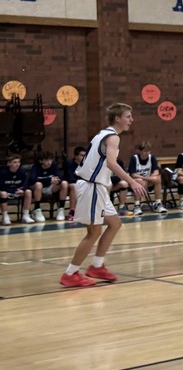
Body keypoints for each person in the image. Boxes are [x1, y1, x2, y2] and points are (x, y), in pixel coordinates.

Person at [59, 103, 148, 287]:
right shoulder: (113, 137)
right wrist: (131, 181)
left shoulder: (103, 133)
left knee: (115, 223)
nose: (131, 120)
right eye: (128, 116)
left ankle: (97, 266)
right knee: (94, 232)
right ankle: (70, 273)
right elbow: (111, 163)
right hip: (92, 187)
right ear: (118, 118)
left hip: (96, 187)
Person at [127, 141, 168, 214]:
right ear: (140, 151)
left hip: (147, 181)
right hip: (135, 183)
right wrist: (144, 179)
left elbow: (156, 172)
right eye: (145, 151)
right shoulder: (134, 158)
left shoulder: (152, 157)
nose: (147, 153)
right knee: (139, 180)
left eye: (148, 151)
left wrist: (146, 179)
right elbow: (133, 174)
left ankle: (158, 203)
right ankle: (137, 205)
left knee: (158, 179)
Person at [30, 151, 69, 221]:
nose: (49, 162)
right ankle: (37, 209)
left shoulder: (53, 165)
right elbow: (32, 180)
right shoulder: (35, 167)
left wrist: (57, 180)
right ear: (41, 161)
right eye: (46, 160)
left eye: (50, 160)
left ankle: (61, 209)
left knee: (64, 183)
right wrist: (49, 180)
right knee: (38, 184)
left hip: (51, 188)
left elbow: (60, 177)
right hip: (39, 189)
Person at [0, 153, 35, 225]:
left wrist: (22, 189)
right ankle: (5, 216)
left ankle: (25, 215)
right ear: (8, 164)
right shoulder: (3, 172)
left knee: (28, 192)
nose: (17, 164)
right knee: (3, 193)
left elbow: (26, 183)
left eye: (18, 162)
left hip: (17, 191)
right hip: (6, 192)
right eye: (15, 162)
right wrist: (12, 191)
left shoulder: (22, 171)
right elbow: (1, 186)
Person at [64, 145, 87, 222]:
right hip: (70, 185)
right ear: (75, 156)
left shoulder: (87, 164)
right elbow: (70, 179)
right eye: (82, 155)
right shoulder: (69, 163)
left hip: (83, 183)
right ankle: (72, 212)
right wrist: (82, 182)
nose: (84, 157)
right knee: (74, 186)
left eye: (85, 155)